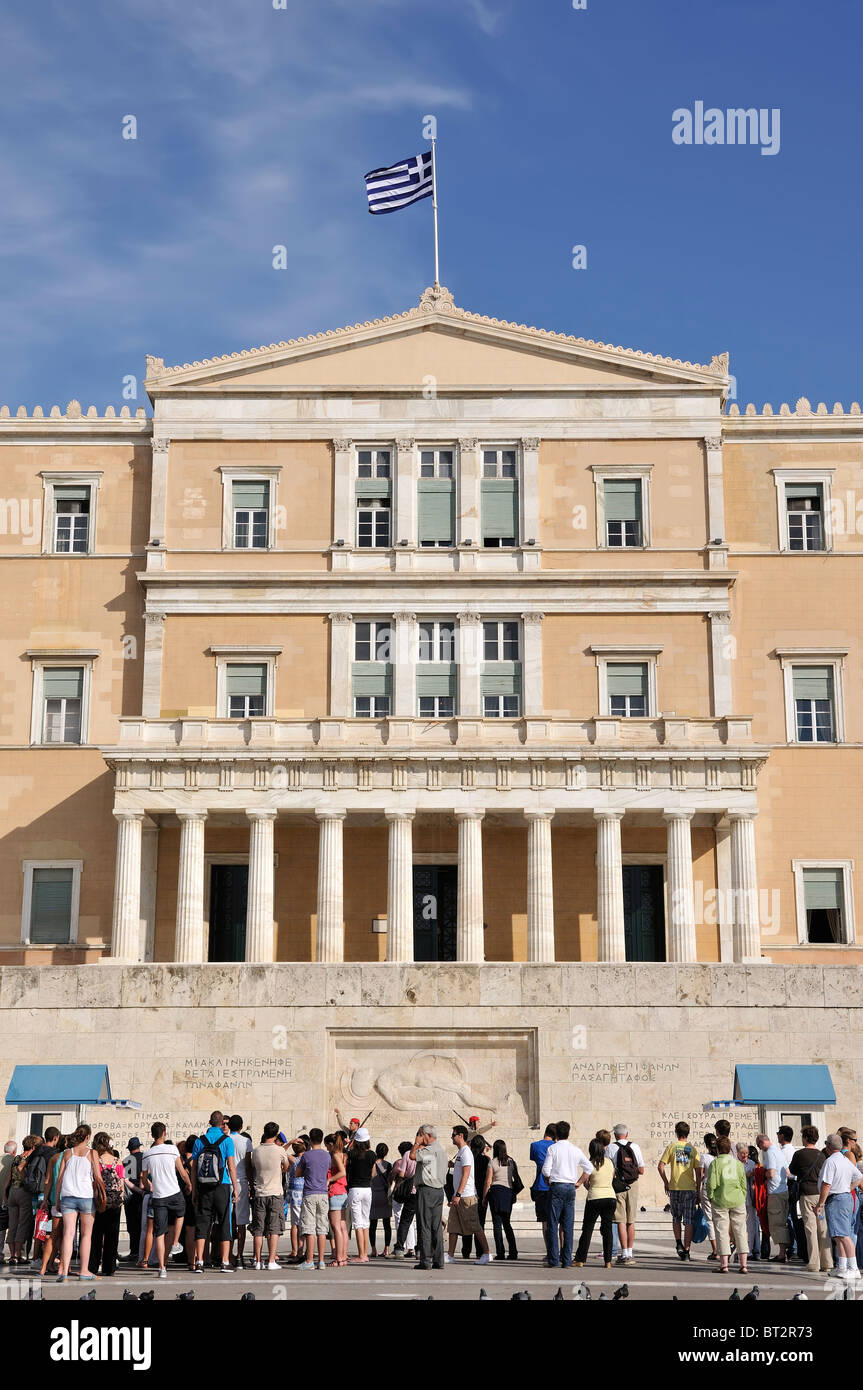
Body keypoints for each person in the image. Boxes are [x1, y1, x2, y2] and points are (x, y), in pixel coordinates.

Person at [191, 1110, 240, 1275]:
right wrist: (236, 1188)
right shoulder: (227, 1141)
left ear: (209, 1122)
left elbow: (194, 1168)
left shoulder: (199, 1141)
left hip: (204, 1186)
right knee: (225, 1221)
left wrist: (194, 1190)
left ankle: (199, 1262)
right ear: (222, 1124)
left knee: (203, 1223)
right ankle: (225, 1262)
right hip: (222, 1185)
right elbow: (231, 1166)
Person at [55, 1124, 105, 1283]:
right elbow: (97, 1176)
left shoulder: (67, 1153)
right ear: (88, 1137)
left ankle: (63, 1271)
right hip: (86, 1197)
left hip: (68, 1196)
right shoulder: (92, 1153)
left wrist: (57, 1199)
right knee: (86, 1235)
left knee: (68, 1234)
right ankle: (84, 1270)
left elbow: (60, 1178)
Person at [142, 1122, 190, 1280]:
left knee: (160, 1234)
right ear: (164, 1133)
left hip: (158, 1196)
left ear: (152, 1135)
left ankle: (162, 1267)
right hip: (174, 1192)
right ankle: (176, 1242)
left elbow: (143, 1178)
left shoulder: (147, 1154)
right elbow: (182, 1172)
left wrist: (150, 1185)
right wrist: (189, 1184)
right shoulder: (172, 1149)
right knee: (181, 1213)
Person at [541, 1120, 592, 1270]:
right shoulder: (575, 1150)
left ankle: (554, 1259)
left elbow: (545, 1171)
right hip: (570, 1187)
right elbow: (588, 1167)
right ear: (568, 1133)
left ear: (556, 1134)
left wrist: (549, 1181)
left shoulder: (552, 1149)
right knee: (568, 1225)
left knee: (553, 1224)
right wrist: (579, 1182)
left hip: (556, 1186)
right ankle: (567, 1260)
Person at [816, 1133, 863, 1281]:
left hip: (836, 1199)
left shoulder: (831, 1161)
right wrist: (849, 1187)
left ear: (828, 1146)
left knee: (843, 1235)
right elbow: (859, 1177)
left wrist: (820, 1203)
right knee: (838, 1235)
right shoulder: (844, 1160)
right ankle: (842, 1267)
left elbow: (826, 1184)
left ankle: (853, 1268)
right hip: (844, 1198)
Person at [788, 1125, 831, 1275]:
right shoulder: (822, 1155)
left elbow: (792, 1171)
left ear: (805, 1138)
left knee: (810, 1229)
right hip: (821, 1194)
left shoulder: (799, 1154)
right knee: (823, 1228)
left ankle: (814, 1263)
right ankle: (827, 1262)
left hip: (806, 1194)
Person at [445, 1124, 491, 1266]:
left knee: (475, 1226)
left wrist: (458, 1194)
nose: (451, 1137)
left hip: (466, 1196)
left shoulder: (465, 1152)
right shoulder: (461, 1152)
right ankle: (450, 1255)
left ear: (460, 1136)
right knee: (453, 1226)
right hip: (458, 1196)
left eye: (453, 1134)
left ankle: (487, 1253)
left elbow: (466, 1174)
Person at [658, 1121, 702, 1261]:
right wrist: (698, 1189)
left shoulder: (672, 1146)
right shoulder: (692, 1149)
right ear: (688, 1133)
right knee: (688, 1220)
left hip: (675, 1187)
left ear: (676, 1132)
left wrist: (666, 1182)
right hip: (689, 1188)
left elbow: (661, 1166)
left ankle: (678, 1243)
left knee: (676, 1217)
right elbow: (698, 1172)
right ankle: (687, 1251)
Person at [706, 1136, 749, 1275]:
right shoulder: (737, 1164)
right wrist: (742, 1195)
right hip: (737, 1199)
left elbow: (711, 1183)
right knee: (741, 1231)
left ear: (717, 1149)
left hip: (720, 1200)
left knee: (722, 1231)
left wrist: (711, 1196)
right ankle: (743, 1265)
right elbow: (744, 1183)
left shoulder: (715, 1163)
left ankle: (724, 1265)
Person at [249, 1122, 289, 1271]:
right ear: (276, 1134)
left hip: (260, 1192)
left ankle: (258, 1260)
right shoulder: (279, 1150)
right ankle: (271, 1260)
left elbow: (253, 1168)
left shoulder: (256, 1151)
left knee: (258, 1229)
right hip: (275, 1192)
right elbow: (286, 1167)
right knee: (274, 1228)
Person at [574, 1137, 616, 1268]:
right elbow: (612, 1177)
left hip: (595, 1197)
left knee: (587, 1229)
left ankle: (580, 1259)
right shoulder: (609, 1162)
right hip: (610, 1197)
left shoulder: (590, 1163)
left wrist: (583, 1184)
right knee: (607, 1229)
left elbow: (585, 1181)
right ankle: (608, 1261)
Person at [606, 1123, 644, 1266]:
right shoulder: (635, 1147)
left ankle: (624, 1254)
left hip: (618, 1186)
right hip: (633, 1184)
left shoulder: (611, 1147)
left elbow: (609, 1169)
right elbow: (641, 1170)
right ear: (627, 1134)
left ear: (615, 1135)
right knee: (631, 1220)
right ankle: (630, 1252)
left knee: (620, 1219)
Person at [410, 1125, 448, 1271]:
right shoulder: (441, 1150)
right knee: (436, 1227)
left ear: (426, 1135)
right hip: (439, 1191)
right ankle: (439, 1260)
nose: (419, 1137)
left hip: (427, 1191)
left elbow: (413, 1156)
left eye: (420, 1134)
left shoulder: (429, 1150)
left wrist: (416, 1143)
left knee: (424, 1226)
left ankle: (425, 1261)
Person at [89, 1132, 126, 1277]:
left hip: (100, 1201)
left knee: (96, 1234)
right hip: (115, 1202)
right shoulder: (118, 1161)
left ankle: (93, 1265)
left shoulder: (96, 1161)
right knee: (112, 1235)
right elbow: (122, 1184)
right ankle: (109, 1267)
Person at [295, 1128, 331, 1270]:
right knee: (322, 1228)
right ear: (321, 1139)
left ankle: (309, 1260)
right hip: (323, 1193)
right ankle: (321, 1261)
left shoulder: (307, 1156)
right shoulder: (327, 1156)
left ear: (310, 1140)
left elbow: (298, 1173)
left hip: (310, 1192)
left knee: (309, 1228)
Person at [2, 1134, 39, 1266]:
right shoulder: (28, 1158)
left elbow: (8, 1177)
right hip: (23, 1192)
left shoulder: (16, 1157)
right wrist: (27, 1181)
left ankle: (12, 1255)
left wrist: (5, 1195)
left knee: (12, 1225)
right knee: (22, 1224)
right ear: (33, 1146)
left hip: (12, 1191)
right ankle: (18, 1255)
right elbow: (20, 1169)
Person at [756, 1131, 791, 1263]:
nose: (760, 1149)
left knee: (777, 1224)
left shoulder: (770, 1152)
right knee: (782, 1222)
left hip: (775, 1193)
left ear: (762, 1142)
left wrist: (761, 1175)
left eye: (759, 1146)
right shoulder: (778, 1151)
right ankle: (783, 1253)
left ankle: (782, 1254)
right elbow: (787, 1173)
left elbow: (770, 1173)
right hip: (783, 1190)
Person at [483, 1137, 518, 1261]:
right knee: (507, 1223)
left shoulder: (492, 1162)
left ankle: (500, 1252)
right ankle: (513, 1252)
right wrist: (514, 1195)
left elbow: (488, 1181)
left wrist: (484, 1197)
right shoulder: (511, 1161)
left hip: (496, 1193)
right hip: (508, 1193)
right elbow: (515, 1180)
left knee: (497, 1224)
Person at [39, 1135, 68, 1277]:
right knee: (66, 1236)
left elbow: (48, 1181)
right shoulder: (72, 1157)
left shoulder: (54, 1158)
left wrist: (45, 1199)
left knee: (53, 1236)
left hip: (54, 1200)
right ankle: (63, 1267)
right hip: (69, 1200)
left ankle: (44, 1267)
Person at [346, 1126, 375, 1262]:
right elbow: (373, 1173)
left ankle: (361, 1255)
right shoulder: (372, 1154)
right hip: (367, 1189)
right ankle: (365, 1254)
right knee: (365, 1223)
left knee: (358, 1223)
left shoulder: (352, 1154)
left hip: (355, 1189)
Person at [228, 1115, 252, 1269]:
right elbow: (248, 1165)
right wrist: (251, 1183)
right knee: (241, 1222)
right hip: (242, 1182)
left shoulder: (226, 1139)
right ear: (241, 1126)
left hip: (227, 1182)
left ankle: (227, 1255)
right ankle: (239, 1256)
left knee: (228, 1222)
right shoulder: (246, 1141)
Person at [389, 1140, 417, 1259]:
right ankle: (415, 1248)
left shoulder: (404, 1158)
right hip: (420, 1191)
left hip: (407, 1192)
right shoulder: (422, 1154)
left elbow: (398, 1175)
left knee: (403, 1220)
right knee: (417, 1222)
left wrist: (395, 1189)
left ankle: (400, 1248)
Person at [325, 1132, 348, 1268]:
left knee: (336, 1227)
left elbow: (342, 1172)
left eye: (327, 1145)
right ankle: (343, 1256)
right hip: (342, 1192)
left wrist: (329, 1179)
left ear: (331, 1144)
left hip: (336, 1191)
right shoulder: (342, 1154)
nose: (327, 1148)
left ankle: (338, 1258)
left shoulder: (335, 1155)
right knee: (342, 1226)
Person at [121, 1137, 145, 1263]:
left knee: (132, 1226)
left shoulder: (125, 1161)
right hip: (144, 1195)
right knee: (144, 1226)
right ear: (139, 1146)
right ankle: (144, 1253)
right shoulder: (146, 1158)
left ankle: (134, 1252)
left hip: (131, 1197)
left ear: (130, 1149)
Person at [736, 1142, 760, 1264]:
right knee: (739, 1225)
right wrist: (745, 1175)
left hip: (749, 1197)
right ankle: (739, 1249)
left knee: (750, 1224)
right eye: (742, 1153)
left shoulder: (751, 1163)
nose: (745, 1155)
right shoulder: (734, 1164)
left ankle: (749, 1250)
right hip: (738, 1197)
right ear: (738, 1153)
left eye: (746, 1153)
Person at [369, 1142, 393, 1257]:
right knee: (386, 1223)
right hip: (384, 1195)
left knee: (372, 1224)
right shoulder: (388, 1165)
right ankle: (387, 1249)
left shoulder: (371, 1164)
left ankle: (373, 1249)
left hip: (373, 1194)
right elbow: (390, 1180)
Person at [700, 1134, 720, 1262]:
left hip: (707, 1187)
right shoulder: (720, 1157)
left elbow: (700, 1176)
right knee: (720, 1217)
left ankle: (715, 1250)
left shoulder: (704, 1157)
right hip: (719, 1187)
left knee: (710, 1219)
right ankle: (724, 1248)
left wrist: (698, 1191)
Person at [286, 1139, 306, 1263]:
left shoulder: (293, 1160)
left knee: (295, 1223)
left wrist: (290, 1142)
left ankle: (295, 1250)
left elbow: (280, 1151)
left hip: (294, 1192)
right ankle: (301, 1250)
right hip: (305, 1190)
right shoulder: (306, 1159)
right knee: (303, 1222)